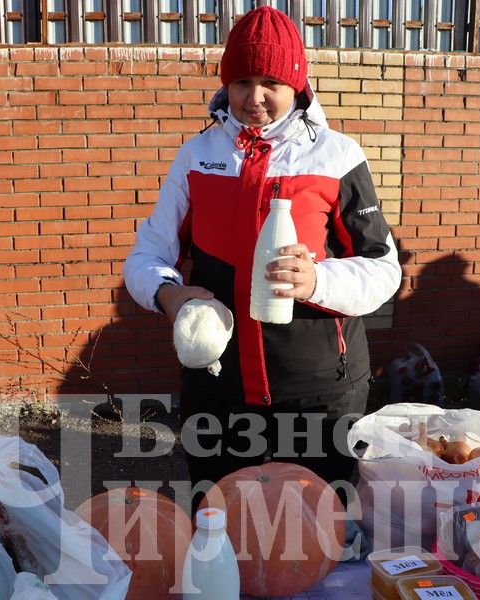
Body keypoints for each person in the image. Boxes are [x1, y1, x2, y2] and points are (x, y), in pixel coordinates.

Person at [123, 7, 401, 511]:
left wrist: (315, 279)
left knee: (317, 532)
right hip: (218, 388)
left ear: (297, 83)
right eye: (242, 81)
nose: (254, 98)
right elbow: (148, 253)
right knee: (221, 525)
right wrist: (168, 294)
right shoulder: (196, 156)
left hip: (319, 391)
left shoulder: (336, 156)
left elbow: (383, 268)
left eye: (271, 81)